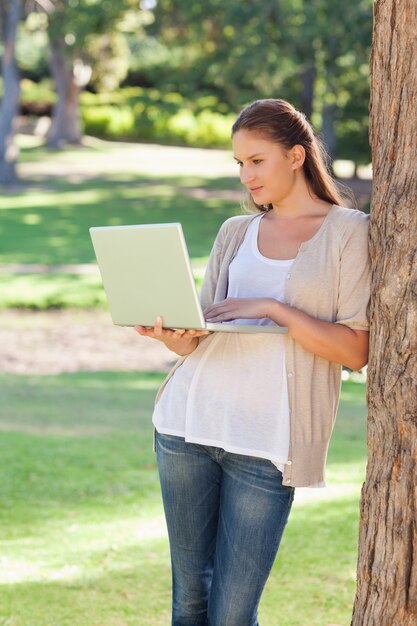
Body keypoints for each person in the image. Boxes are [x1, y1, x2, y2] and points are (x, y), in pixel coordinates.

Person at [135, 98, 370, 626]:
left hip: (268, 442)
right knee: (188, 601)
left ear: (296, 155)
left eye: (256, 161)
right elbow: (201, 338)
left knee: (233, 613)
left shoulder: (349, 231)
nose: (246, 176)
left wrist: (272, 309)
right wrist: (171, 335)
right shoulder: (233, 233)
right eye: (238, 164)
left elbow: (356, 350)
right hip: (188, 426)